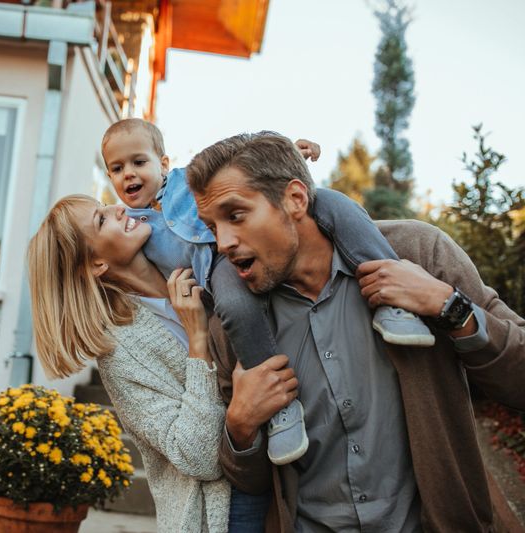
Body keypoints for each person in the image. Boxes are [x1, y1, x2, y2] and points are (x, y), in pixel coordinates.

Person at [186, 132, 525, 532]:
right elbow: (252, 482)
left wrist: (451, 308)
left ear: (295, 199)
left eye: (236, 215)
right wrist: (241, 427)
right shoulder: (235, 325)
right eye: (212, 226)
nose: (223, 242)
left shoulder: (419, 253)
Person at [100, 118, 434, 468]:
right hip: (219, 269)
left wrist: (290, 150)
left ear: (163, 163)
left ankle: (392, 298)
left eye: (139, 162)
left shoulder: (187, 181)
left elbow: (239, 162)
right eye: (117, 169)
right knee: (235, 304)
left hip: (244, 244)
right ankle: (281, 408)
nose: (129, 174)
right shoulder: (131, 226)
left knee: (333, 202)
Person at [28, 195, 237, 532]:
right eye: (101, 220)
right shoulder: (121, 354)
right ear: (97, 264)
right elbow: (199, 456)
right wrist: (197, 339)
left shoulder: (200, 262)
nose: (119, 208)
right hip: (219, 515)